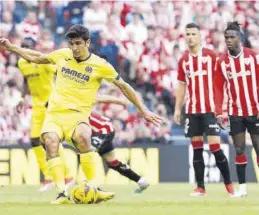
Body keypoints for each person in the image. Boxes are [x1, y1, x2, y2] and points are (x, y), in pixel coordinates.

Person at [0, 24, 162, 204]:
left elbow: (124, 87)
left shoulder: (101, 66)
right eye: (72, 44)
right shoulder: (62, 55)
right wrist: (12, 48)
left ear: (88, 42)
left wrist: (143, 109)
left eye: (78, 43)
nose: (74, 48)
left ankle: (92, 187)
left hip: (78, 117)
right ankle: (61, 193)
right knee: (50, 141)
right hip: (55, 114)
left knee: (84, 137)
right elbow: (38, 57)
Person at [174, 23, 234, 196]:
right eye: (188, 34)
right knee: (197, 148)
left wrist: (224, 103)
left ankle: (229, 185)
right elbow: (181, 85)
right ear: (184, 37)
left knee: (215, 146)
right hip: (192, 110)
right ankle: (201, 187)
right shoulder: (183, 60)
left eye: (193, 34)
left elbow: (224, 78)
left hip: (210, 111)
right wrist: (178, 109)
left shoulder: (211, 56)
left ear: (200, 36)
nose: (190, 37)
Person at [16, 37, 74, 192]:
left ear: (34, 49)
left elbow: (62, 76)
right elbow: (26, 80)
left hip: (51, 104)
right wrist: (22, 98)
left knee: (51, 138)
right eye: (22, 47)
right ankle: (48, 177)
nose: (24, 51)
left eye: (27, 47)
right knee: (35, 140)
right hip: (37, 105)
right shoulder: (22, 63)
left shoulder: (45, 63)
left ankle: (67, 176)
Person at [215, 21, 259, 197]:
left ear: (240, 38)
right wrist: (219, 112)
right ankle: (242, 188)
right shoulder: (222, 62)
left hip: (255, 110)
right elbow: (218, 88)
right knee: (239, 149)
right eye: (226, 37)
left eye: (232, 37)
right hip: (235, 113)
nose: (228, 40)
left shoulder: (253, 57)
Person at [90, 97, 149, 193]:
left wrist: (122, 101)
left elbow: (100, 98)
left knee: (85, 153)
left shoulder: (74, 101)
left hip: (102, 130)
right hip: (103, 130)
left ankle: (93, 188)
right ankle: (141, 181)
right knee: (113, 163)